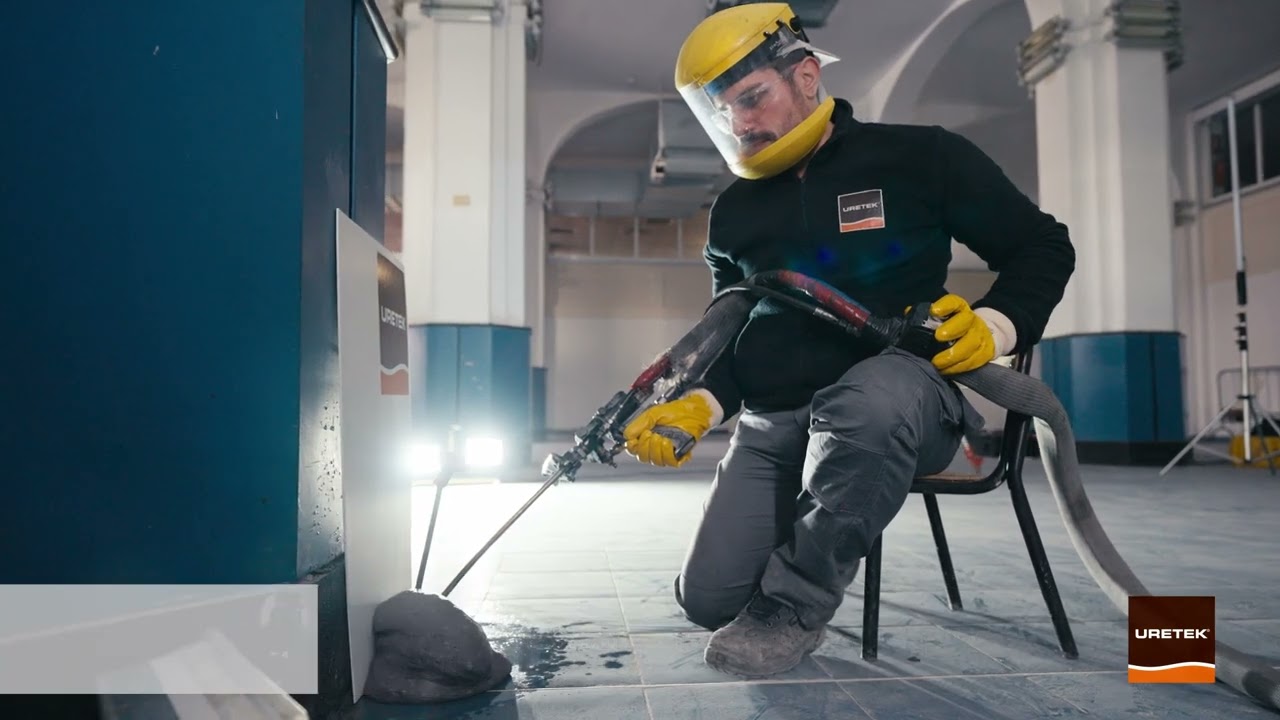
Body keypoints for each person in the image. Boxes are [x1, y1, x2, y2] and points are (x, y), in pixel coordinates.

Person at [621, 3, 1076, 679]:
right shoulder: (736, 212)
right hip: (777, 423)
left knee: (870, 400)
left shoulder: (921, 156)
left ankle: (795, 606)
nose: (741, 124)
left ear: (806, 76)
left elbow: (1043, 245)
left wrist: (995, 325)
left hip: (901, 398)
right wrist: (703, 405)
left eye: (752, 99)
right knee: (710, 598)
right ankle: (791, 563)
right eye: (723, 113)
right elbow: (736, 329)